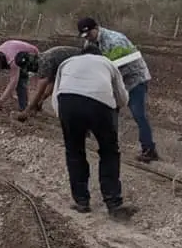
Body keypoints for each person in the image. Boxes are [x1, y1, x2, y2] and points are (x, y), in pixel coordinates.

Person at [50, 42, 136, 220]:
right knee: (109, 152)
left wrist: (67, 121)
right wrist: (112, 112)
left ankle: (81, 201)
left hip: (67, 102)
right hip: (99, 104)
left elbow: (56, 95)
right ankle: (113, 203)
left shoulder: (67, 62)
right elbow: (122, 96)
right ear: (100, 54)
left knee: (74, 152)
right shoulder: (107, 63)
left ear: (82, 54)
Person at [78, 17, 159, 163]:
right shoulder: (90, 42)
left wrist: (102, 82)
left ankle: (149, 149)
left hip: (134, 79)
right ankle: (108, 142)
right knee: (108, 109)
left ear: (96, 28)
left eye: (89, 34)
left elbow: (121, 67)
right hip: (115, 79)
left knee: (138, 113)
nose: (87, 38)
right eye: (85, 36)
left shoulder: (116, 41)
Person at [12, 45, 82, 122]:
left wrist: (26, 111)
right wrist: (41, 100)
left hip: (82, 61)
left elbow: (39, 91)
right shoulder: (42, 59)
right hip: (77, 62)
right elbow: (52, 82)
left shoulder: (44, 63)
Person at [0, 39, 38, 111]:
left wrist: (1, 101)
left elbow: (13, 82)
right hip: (13, 50)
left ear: (0, 66)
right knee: (19, 79)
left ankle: (24, 108)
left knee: (20, 81)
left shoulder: (12, 60)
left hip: (31, 54)